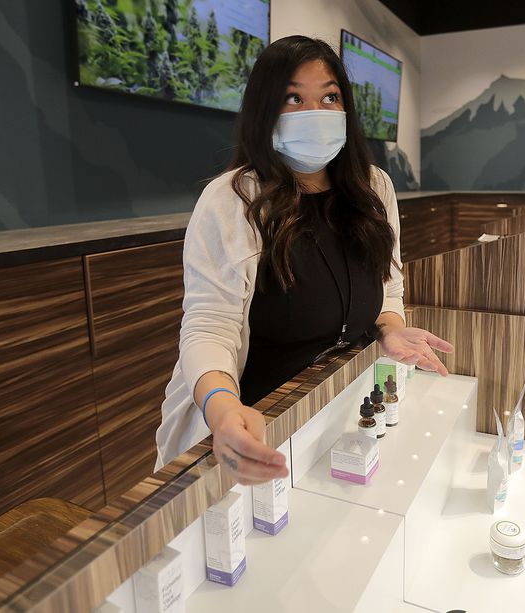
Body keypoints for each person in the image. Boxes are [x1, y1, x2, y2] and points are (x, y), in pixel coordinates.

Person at [155, 36, 454, 484]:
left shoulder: (375, 189)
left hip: (337, 406)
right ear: (265, 111)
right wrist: (223, 409)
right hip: (259, 420)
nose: (315, 112)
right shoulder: (232, 201)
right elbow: (208, 326)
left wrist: (390, 331)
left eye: (329, 97)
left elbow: (389, 285)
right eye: (293, 98)